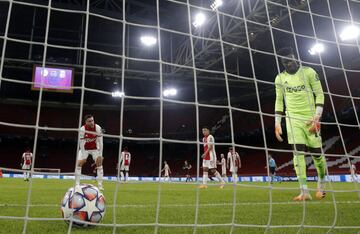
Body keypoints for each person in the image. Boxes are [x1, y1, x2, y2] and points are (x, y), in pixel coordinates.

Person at [274, 47, 327, 201]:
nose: (288, 64)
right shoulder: (279, 78)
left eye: (290, 60)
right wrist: (277, 122)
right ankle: (304, 191)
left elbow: (320, 94)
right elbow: (278, 101)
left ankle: (321, 186)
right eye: (285, 62)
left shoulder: (309, 72)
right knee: (298, 153)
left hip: (311, 118)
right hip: (292, 119)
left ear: (295, 57)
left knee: (317, 155)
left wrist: (317, 117)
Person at [75, 115, 104, 190]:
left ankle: (100, 185)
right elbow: (81, 143)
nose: (92, 122)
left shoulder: (97, 128)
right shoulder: (82, 129)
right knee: (79, 163)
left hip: (95, 149)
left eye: (92, 120)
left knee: (99, 163)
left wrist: (100, 155)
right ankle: (77, 184)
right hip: (84, 148)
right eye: (89, 121)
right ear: (86, 122)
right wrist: (84, 156)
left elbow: (101, 143)